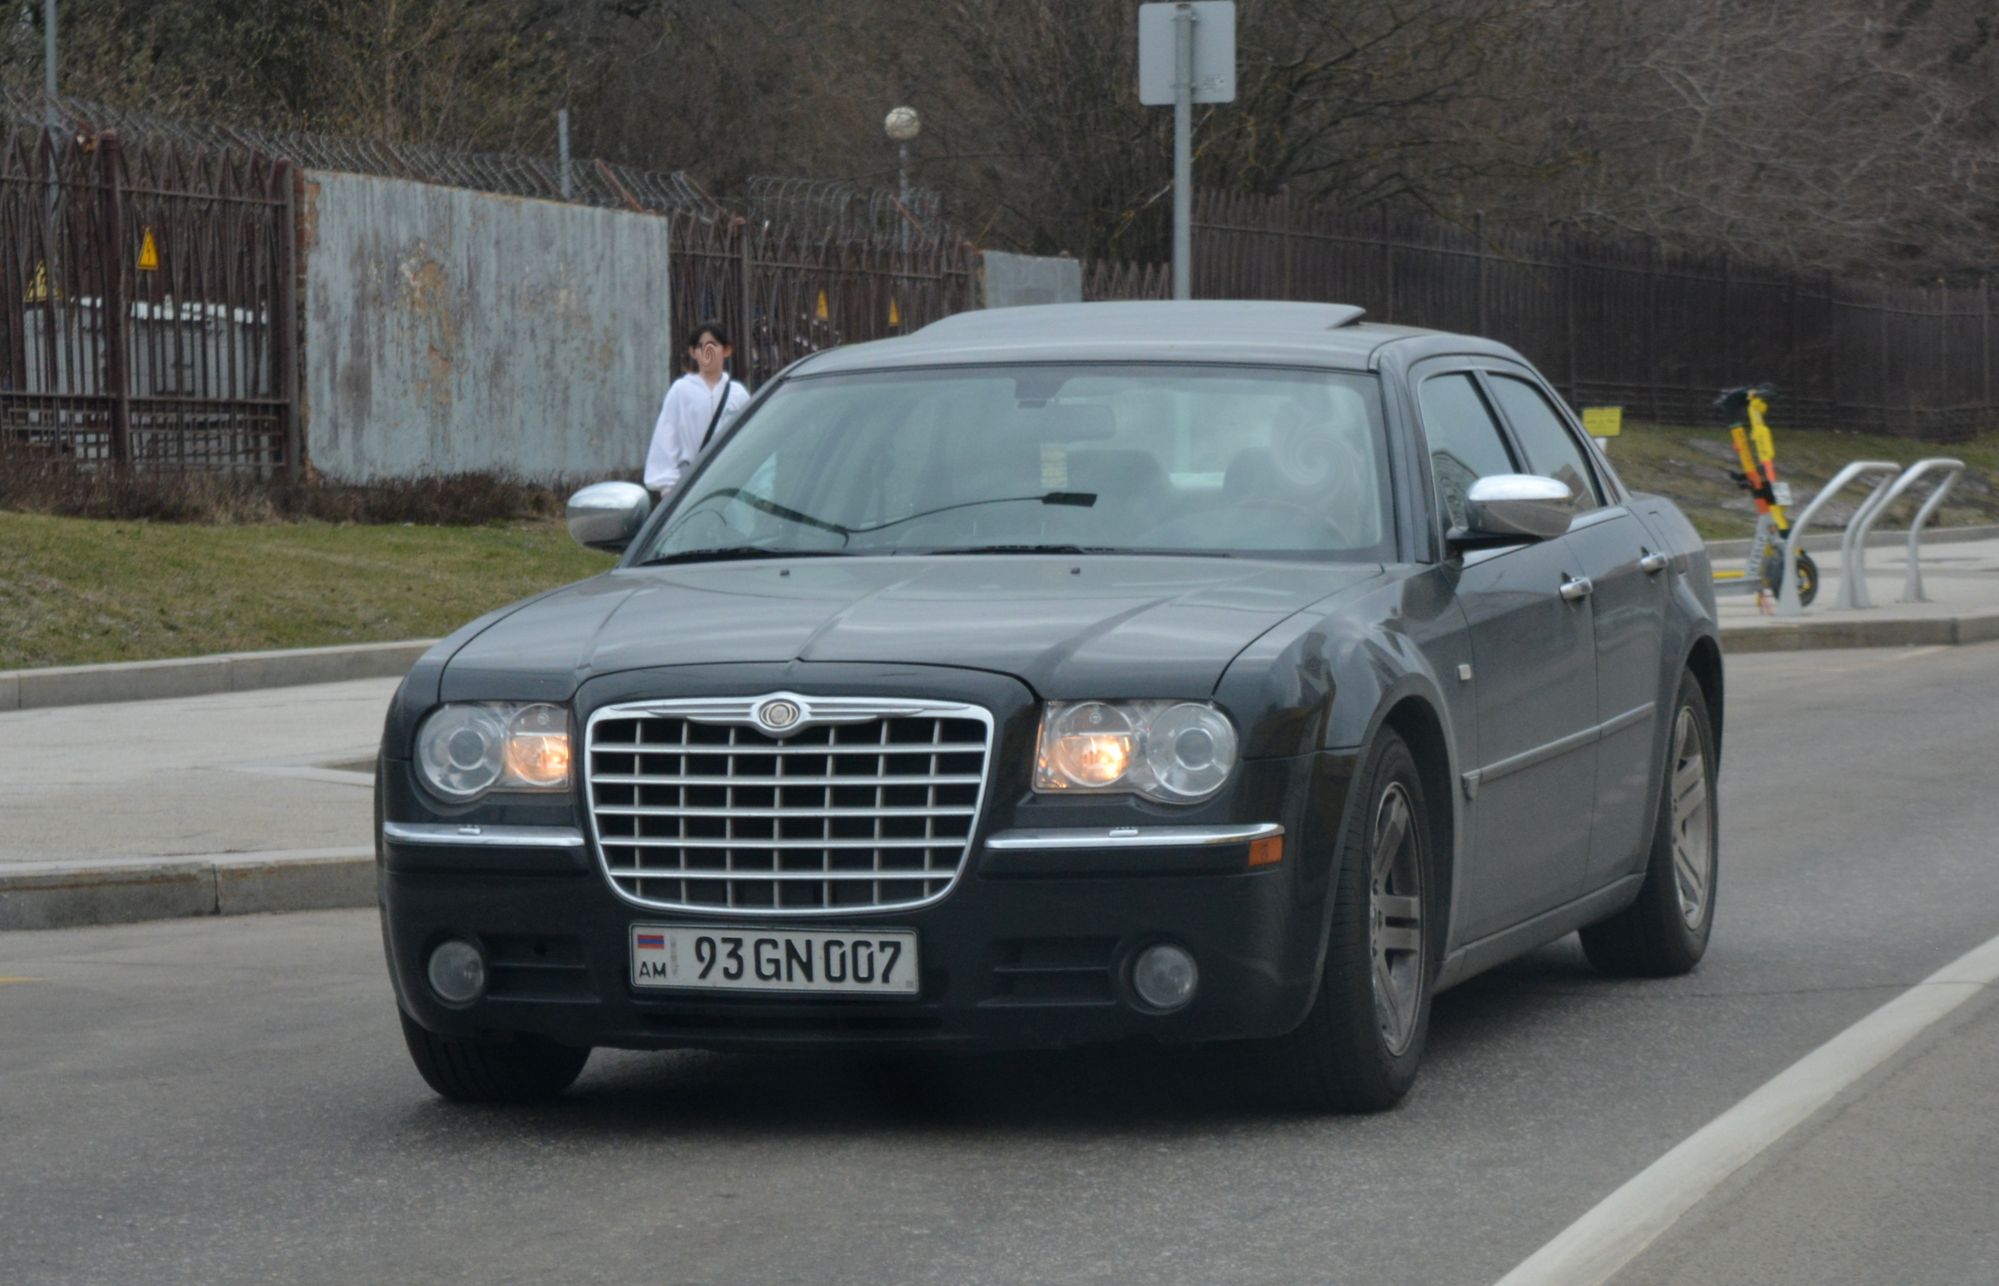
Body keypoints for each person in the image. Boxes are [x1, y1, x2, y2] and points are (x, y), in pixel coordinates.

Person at [645, 320, 752, 495]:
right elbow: (666, 438)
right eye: (702, 346)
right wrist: (669, 489)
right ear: (693, 352)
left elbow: (750, 440)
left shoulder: (738, 394)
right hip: (691, 489)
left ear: (726, 350)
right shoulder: (681, 391)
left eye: (714, 345)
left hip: (732, 487)